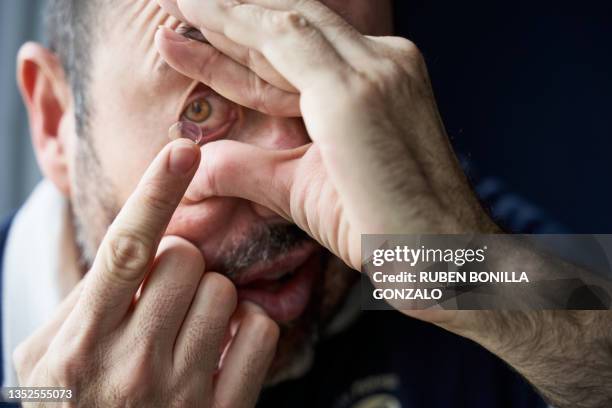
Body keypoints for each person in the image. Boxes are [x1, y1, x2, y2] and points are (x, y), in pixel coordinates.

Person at [1, 0, 610, 407]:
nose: (290, 198)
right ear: (57, 122)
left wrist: (475, 283)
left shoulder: (444, 243)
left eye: (331, 84)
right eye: (202, 109)